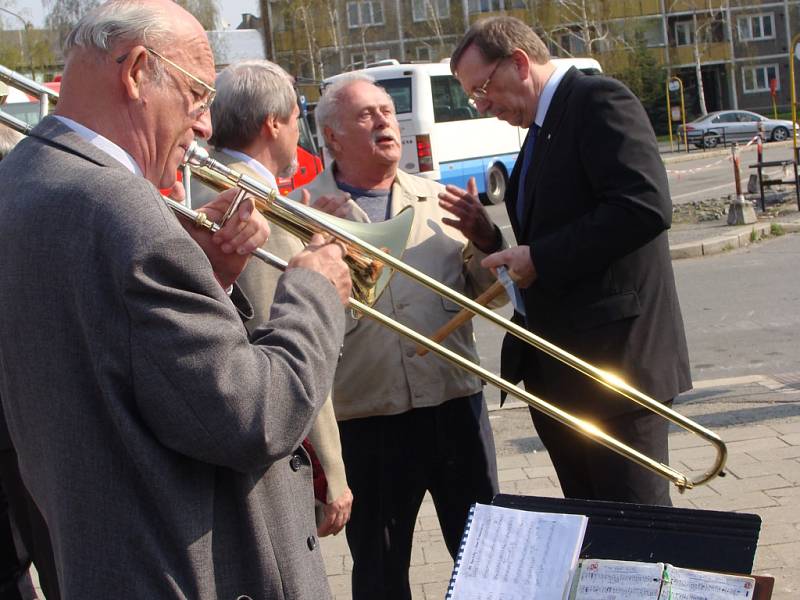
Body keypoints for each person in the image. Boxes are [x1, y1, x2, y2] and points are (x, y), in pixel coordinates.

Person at [0, 1, 351, 598]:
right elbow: (255, 418)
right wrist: (315, 294)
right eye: (196, 94)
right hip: (196, 572)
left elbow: (118, 360)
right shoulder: (121, 208)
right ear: (138, 71)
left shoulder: (21, 177)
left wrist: (206, 275)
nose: (207, 126)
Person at [450, 16, 691, 506]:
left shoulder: (597, 100)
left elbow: (644, 206)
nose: (483, 105)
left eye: (483, 88)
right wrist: (489, 235)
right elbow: (558, 231)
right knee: (597, 538)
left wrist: (540, 257)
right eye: (474, 96)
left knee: (638, 542)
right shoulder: (542, 127)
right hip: (565, 374)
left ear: (518, 63)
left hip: (617, 372)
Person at [295, 73, 506, 600]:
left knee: (486, 562)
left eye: (387, 110)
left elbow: (492, 295)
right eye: (366, 114)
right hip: (369, 421)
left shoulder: (439, 200)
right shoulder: (300, 213)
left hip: (455, 408)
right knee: (381, 571)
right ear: (333, 138)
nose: (386, 121)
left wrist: (486, 239)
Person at [190, 59, 352, 537]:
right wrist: (331, 472)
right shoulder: (252, 203)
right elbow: (282, 344)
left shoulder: (213, 184)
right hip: (277, 445)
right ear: (273, 124)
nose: (300, 128)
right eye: (297, 115)